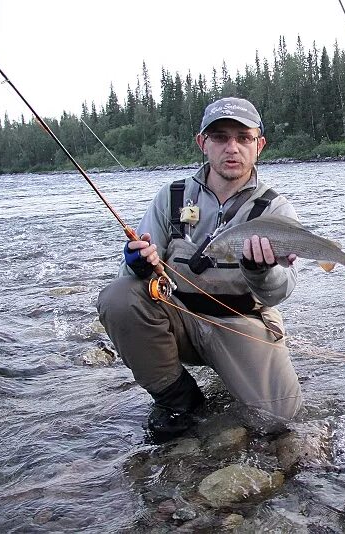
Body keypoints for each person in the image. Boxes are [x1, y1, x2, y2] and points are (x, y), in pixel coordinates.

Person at [97, 97, 302, 439]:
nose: (231, 148)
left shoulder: (275, 209)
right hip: (179, 319)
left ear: (259, 145)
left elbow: (281, 291)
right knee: (118, 298)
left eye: (243, 138)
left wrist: (261, 270)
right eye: (220, 137)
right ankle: (178, 399)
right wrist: (137, 263)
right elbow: (129, 278)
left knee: (282, 422)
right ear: (202, 143)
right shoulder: (172, 197)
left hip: (242, 323)